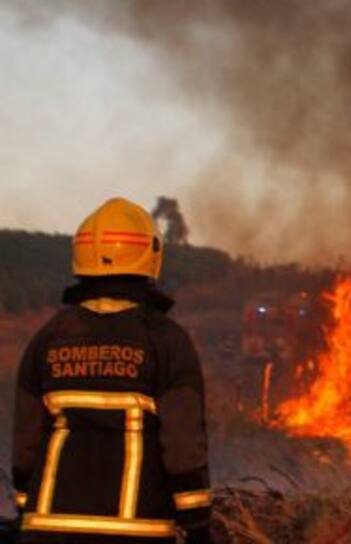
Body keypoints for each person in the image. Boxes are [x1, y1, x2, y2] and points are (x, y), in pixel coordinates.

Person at [10, 197, 211, 543]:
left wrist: (25, 506)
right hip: (136, 529)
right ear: (150, 255)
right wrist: (197, 525)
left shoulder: (48, 337)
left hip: (47, 526)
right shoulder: (165, 339)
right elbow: (182, 443)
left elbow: (26, 441)